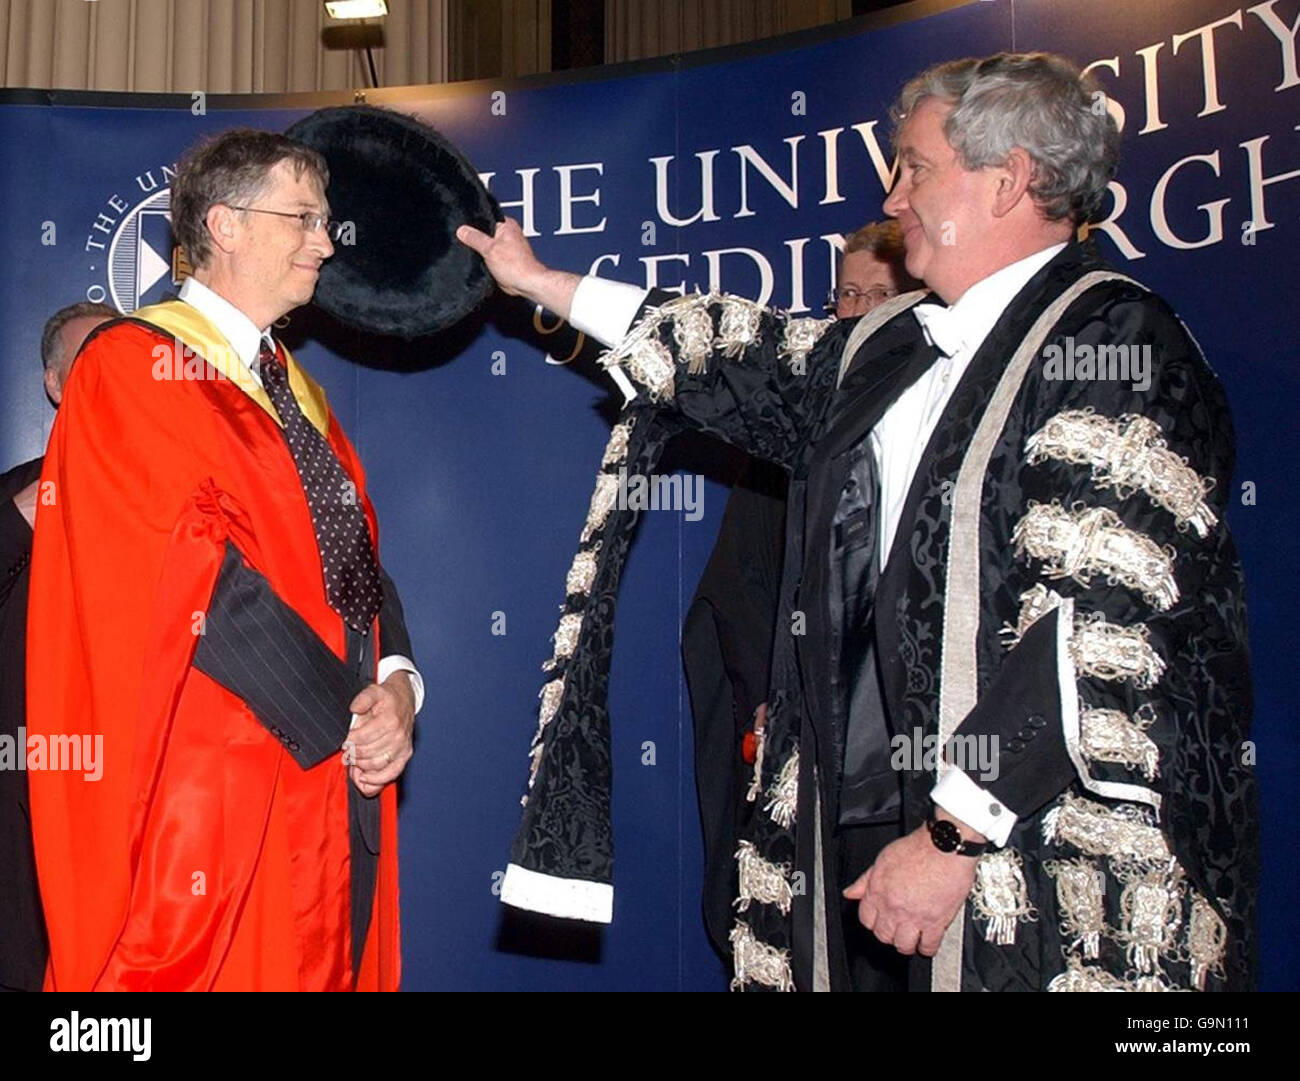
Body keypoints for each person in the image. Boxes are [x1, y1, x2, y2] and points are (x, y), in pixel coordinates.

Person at [461, 52, 1256, 992]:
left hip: (1022, 854)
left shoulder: (1118, 341)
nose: (893, 193)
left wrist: (956, 832)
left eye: (914, 167)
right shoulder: (891, 345)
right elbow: (732, 353)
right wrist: (540, 280)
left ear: (1007, 182)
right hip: (860, 820)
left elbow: (1092, 629)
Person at [27, 130, 422, 991]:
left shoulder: (298, 391)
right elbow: (186, 570)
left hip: (333, 787)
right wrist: (346, 714)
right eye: (304, 218)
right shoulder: (130, 368)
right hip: (220, 797)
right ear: (226, 224)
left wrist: (396, 683)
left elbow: (360, 562)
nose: (326, 240)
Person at [683, 222, 918, 973]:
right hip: (787, 729)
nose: (855, 310)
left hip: (898, 750)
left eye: (877, 295)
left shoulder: (936, 418)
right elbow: (736, 581)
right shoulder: (793, 424)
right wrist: (771, 693)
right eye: (846, 293)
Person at [0, 301, 114, 992]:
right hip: (28, 861)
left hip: (147, 849)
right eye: (90, 362)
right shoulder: (17, 496)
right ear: (54, 383)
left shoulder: (187, 500)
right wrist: (52, 491)